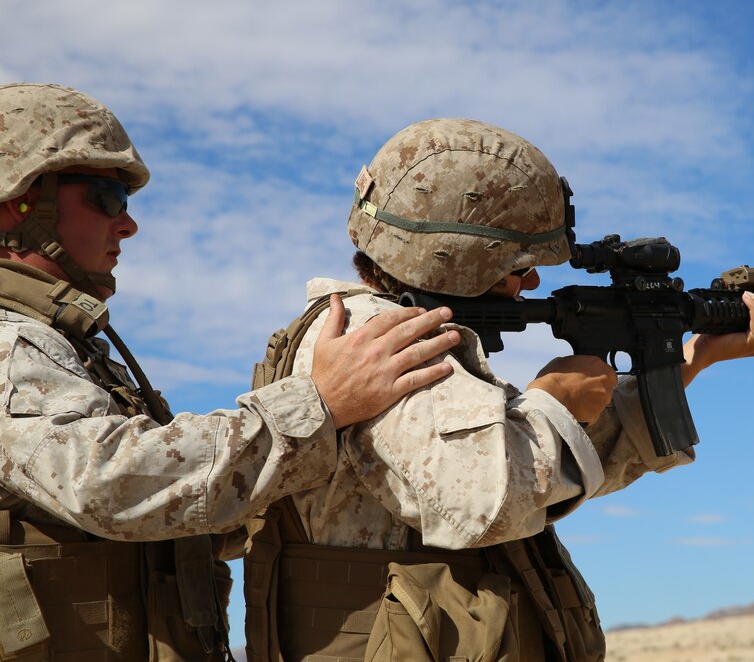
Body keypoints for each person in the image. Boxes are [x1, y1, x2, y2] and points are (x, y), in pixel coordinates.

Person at [243, 118, 754, 662]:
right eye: (519, 263)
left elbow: (540, 482)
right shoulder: (374, 340)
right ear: (460, 257)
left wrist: (694, 359)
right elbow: (485, 504)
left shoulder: (408, 335)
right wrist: (553, 402)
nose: (532, 282)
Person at [0, 83, 461, 661]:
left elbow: (179, 529)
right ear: (19, 201)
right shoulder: (10, 343)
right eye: (108, 197)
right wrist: (319, 404)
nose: (128, 225)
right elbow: (111, 483)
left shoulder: (65, 345)